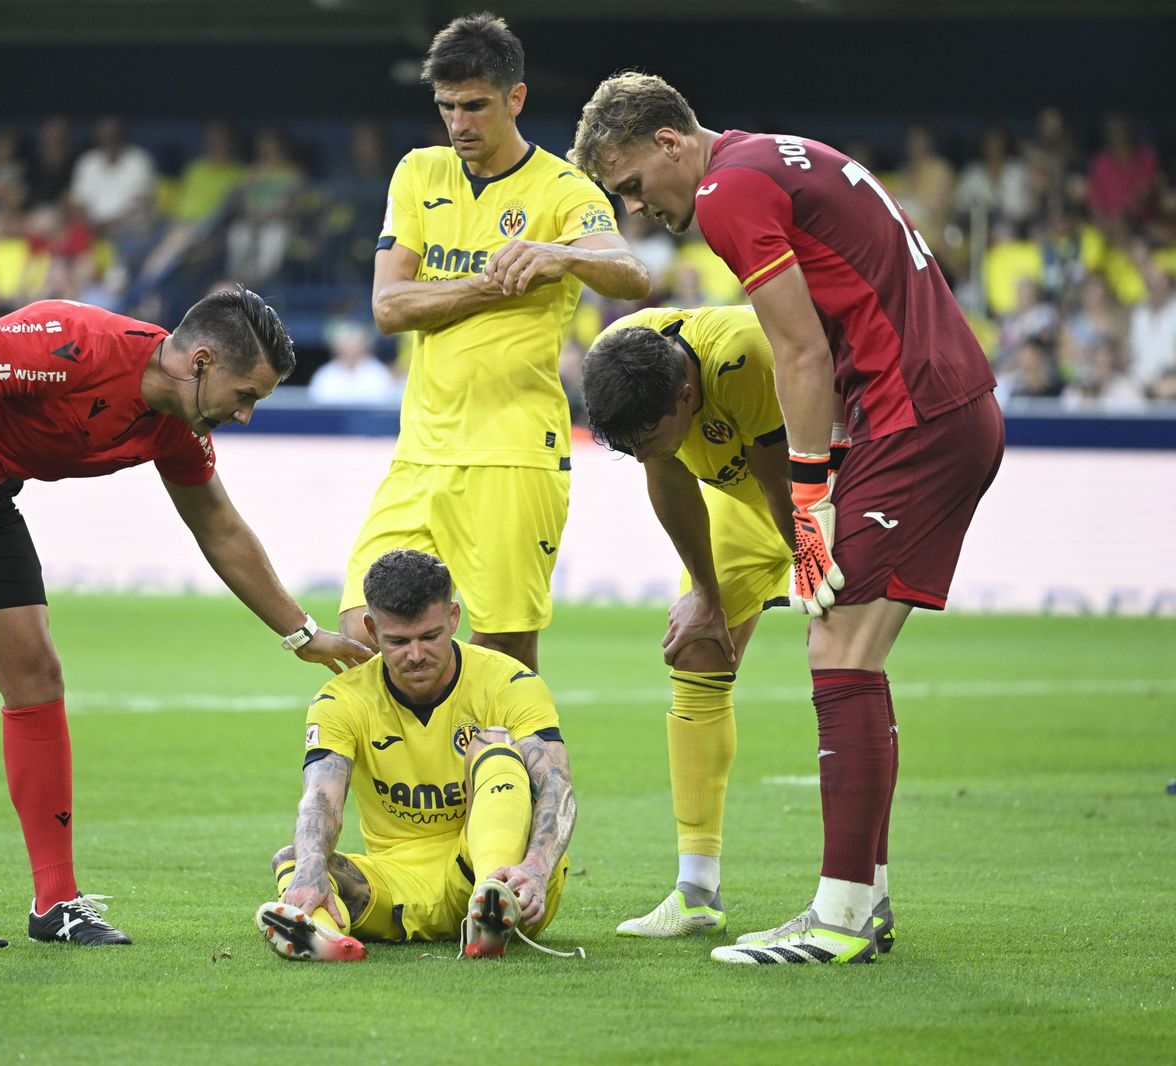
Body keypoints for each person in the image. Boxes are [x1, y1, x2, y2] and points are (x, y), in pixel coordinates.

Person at [570, 72, 1004, 964]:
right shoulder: (767, 160)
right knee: (849, 651)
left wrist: (809, 511)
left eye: (628, 185)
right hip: (936, 403)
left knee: (837, 651)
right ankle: (861, 902)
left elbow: (801, 353)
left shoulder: (729, 192)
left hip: (911, 413)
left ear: (667, 142)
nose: (635, 207)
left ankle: (841, 915)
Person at [0, 285, 370, 950]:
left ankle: (57, 904)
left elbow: (220, 529)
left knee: (36, 674)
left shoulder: (177, 425)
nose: (246, 414)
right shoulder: (74, 345)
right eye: (246, 395)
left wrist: (302, 633)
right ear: (200, 363)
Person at [344, 13, 651, 673]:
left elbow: (632, 273)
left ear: (515, 98)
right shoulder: (420, 174)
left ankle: (517, 777)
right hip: (421, 452)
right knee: (363, 630)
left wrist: (560, 256)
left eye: (475, 106)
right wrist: (490, 288)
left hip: (515, 452)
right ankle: (433, 767)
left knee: (505, 652)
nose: (459, 124)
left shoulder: (563, 190)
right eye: (447, 107)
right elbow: (388, 308)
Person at [580, 306, 794, 941]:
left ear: (687, 393)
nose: (645, 454)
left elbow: (790, 483)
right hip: (747, 504)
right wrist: (704, 590)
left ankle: (853, 896)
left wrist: (815, 571)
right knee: (698, 649)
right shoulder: (626, 361)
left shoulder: (743, 356)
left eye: (649, 439)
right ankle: (696, 892)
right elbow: (667, 478)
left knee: (844, 660)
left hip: (829, 491)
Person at [256, 548, 577, 962]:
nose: (416, 654)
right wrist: (311, 868)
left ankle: (491, 900)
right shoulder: (341, 699)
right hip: (398, 887)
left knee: (493, 745)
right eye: (398, 641)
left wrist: (535, 866)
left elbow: (556, 784)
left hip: (508, 875)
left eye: (430, 636)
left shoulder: (510, 682)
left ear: (454, 619)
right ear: (371, 629)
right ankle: (325, 937)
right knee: (296, 860)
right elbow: (321, 799)